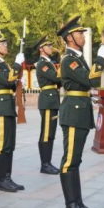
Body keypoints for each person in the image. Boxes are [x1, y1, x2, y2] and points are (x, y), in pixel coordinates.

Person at [57, 16, 104, 208]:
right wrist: (101, 59)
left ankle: (77, 202)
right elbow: (91, 79)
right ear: (70, 38)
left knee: (76, 160)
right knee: (69, 161)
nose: (83, 36)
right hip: (73, 113)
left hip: (81, 111)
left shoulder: (78, 59)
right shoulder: (68, 60)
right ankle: (70, 206)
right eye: (79, 33)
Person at [0, 30, 25, 192]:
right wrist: (17, 64)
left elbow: (11, 82)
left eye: (5, 43)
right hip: (1, 107)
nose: (5, 46)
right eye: (2, 44)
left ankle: (8, 178)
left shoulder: (3, 64)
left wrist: (18, 80)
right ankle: (1, 180)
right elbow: (8, 79)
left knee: (9, 144)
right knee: (2, 144)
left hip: (8, 106)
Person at [34, 36, 61, 175]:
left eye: (51, 46)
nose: (51, 48)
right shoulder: (42, 64)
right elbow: (56, 78)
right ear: (41, 49)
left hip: (52, 100)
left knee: (51, 133)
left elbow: (58, 81)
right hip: (47, 101)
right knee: (46, 133)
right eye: (48, 46)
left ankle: (48, 162)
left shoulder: (48, 63)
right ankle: (45, 164)